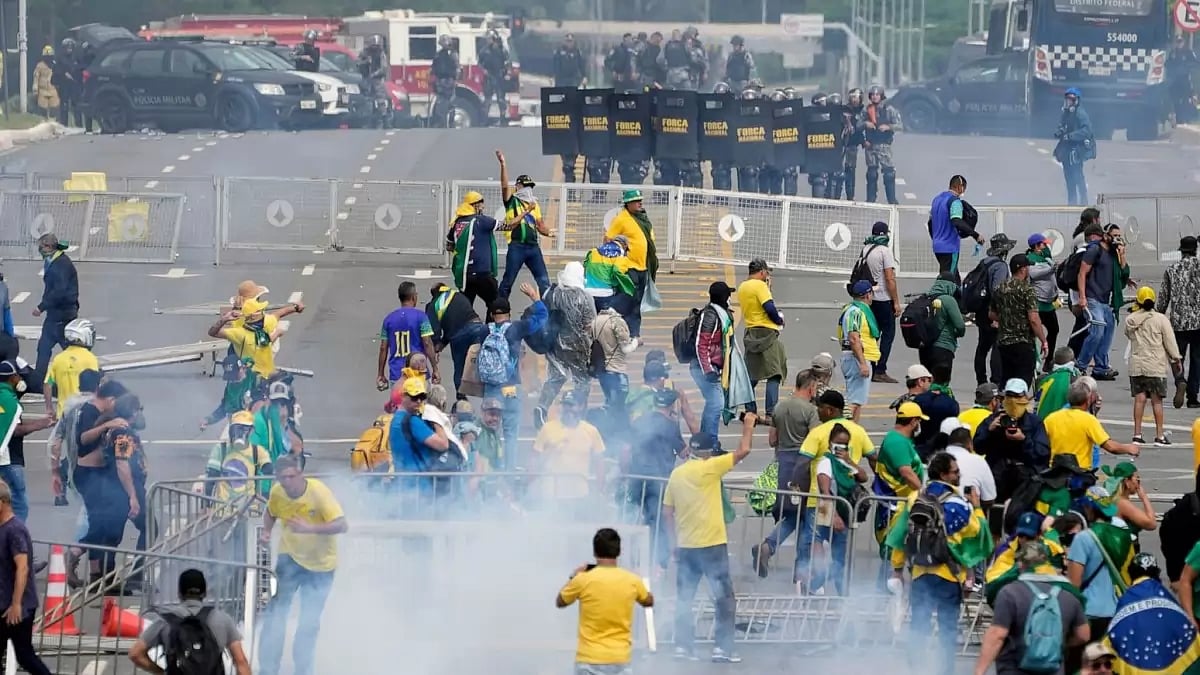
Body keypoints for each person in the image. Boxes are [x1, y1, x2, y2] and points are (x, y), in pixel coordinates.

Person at [886, 452, 991, 675]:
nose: (959, 474)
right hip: (948, 577)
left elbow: (900, 535)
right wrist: (978, 508)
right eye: (955, 471)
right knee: (947, 631)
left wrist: (897, 569)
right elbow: (978, 535)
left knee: (919, 627)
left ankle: (915, 669)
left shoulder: (916, 497)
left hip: (919, 573)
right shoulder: (959, 504)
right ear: (944, 474)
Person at [665, 414, 757, 663]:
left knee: (685, 598)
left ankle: (682, 647)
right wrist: (748, 425)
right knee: (724, 598)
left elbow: (667, 512)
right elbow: (744, 449)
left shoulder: (677, 475)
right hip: (712, 546)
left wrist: (672, 545)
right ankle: (722, 649)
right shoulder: (711, 468)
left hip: (686, 547)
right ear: (707, 453)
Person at [258, 454, 347, 675]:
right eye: (282, 478)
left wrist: (310, 529)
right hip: (289, 559)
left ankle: (303, 670)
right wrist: (267, 531)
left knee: (308, 623)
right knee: (275, 615)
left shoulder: (318, 492)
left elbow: (342, 525)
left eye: (291, 476)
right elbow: (270, 512)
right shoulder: (278, 492)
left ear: (300, 473)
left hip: (321, 567)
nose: (287, 482)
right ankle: (268, 669)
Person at [973, 541, 1089, 675]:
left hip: (1014, 668)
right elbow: (1083, 635)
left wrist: (979, 671)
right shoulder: (1069, 595)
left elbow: (997, 634)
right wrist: (1058, 643)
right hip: (1052, 668)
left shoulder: (1010, 592)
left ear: (1020, 564)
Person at [751, 369, 821, 578]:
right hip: (804, 465)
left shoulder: (780, 407)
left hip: (784, 463)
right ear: (810, 387)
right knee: (806, 514)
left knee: (793, 513)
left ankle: (769, 547)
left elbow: (772, 439)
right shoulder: (810, 411)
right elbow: (815, 439)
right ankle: (800, 568)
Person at [556, 528, 653, 675]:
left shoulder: (582, 579)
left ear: (595, 552)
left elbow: (560, 601)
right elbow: (648, 601)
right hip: (620, 659)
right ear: (619, 552)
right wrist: (639, 581)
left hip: (589, 658)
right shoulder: (632, 580)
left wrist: (573, 575)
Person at [129, 569, 251, 675]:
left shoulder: (164, 621)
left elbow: (135, 654)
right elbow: (241, 662)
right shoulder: (223, 620)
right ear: (205, 593)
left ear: (179, 593)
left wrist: (161, 672)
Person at [481, 285, 547, 467]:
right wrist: (534, 297)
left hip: (491, 389)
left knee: (490, 432)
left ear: (492, 314)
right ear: (509, 314)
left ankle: (490, 469)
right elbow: (542, 317)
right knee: (510, 433)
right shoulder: (516, 329)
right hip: (510, 388)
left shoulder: (484, 331)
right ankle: (508, 472)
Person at [629, 388, 686, 571]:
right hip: (658, 480)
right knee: (657, 521)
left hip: (637, 479)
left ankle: (636, 558)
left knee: (640, 517)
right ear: (671, 405)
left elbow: (626, 449)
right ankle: (657, 562)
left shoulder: (639, 422)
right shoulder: (670, 425)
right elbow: (684, 452)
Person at [0, 479, 52, 675]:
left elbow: (22, 568)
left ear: (2, 502)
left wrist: (16, 604)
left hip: (15, 607)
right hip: (4, 603)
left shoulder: (15, 530)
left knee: (25, 654)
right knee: (24, 654)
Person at [1124, 286, 1182, 445]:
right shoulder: (1161, 319)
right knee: (1157, 400)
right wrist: (1176, 359)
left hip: (1137, 365)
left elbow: (1128, 334)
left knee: (1140, 398)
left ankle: (1137, 434)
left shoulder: (1131, 319)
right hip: (1155, 364)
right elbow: (1169, 341)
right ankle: (1159, 435)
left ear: (1138, 301)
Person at [531, 390, 605, 509]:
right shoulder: (547, 428)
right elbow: (534, 457)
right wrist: (532, 483)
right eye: (565, 405)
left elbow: (599, 462)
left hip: (579, 494)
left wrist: (599, 490)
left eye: (572, 405)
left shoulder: (591, 431)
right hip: (551, 494)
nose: (568, 409)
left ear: (581, 407)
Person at [1044, 378, 1139, 471]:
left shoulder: (1051, 418)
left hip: (1054, 472)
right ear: (1088, 400)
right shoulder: (1088, 420)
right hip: (1079, 472)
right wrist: (1128, 448)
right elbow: (1110, 447)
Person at [495, 152, 553, 301]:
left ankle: (549, 312)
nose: (528, 190)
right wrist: (503, 164)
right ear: (518, 187)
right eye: (524, 186)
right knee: (508, 281)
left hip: (533, 247)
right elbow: (504, 186)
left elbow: (540, 226)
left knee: (544, 281)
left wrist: (549, 233)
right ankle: (498, 310)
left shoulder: (535, 204)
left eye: (530, 187)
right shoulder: (512, 201)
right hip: (517, 246)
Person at [603, 189, 658, 340]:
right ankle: (617, 330)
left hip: (643, 267)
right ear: (628, 204)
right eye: (637, 201)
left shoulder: (644, 219)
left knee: (637, 303)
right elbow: (608, 239)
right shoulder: (621, 219)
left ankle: (634, 334)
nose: (640, 203)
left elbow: (649, 239)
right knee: (627, 299)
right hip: (629, 267)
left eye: (641, 200)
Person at [989, 253, 1050, 388]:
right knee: (1022, 382)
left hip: (1004, 342)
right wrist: (1043, 340)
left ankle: (1004, 405)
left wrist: (1007, 316)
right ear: (1022, 269)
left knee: (1006, 380)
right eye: (1028, 267)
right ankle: (1017, 407)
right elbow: (1033, 319)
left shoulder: (1000, 288)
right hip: (1023, 342)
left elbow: (992, 314)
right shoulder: (1027, 290)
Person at [738, 258, 786, 419]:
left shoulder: (743, 286)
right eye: (766, 272)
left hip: (751, 332)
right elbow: (769, 308)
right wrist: (779, 320)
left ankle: (750, 409)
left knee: (751, 374)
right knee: (774, 373)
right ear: (762, 271)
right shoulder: (760, 286)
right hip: (767, 333)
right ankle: (771, 412)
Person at [690, 282, 737, 443]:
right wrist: (708, 370)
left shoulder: (721, 314)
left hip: (713, 367)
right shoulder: (711, 316)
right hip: (704, 369)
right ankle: (711, 443)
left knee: (713, 403)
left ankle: (705, 441)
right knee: (716, 403)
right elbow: (701, 344)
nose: (730, 299)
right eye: (728, 295)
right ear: (724, 298)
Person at [446, 190, 508, 310]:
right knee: (496, 305)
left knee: (465, 308)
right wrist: (524, 213)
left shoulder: (457, 222)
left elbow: (450, 245)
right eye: (481, 204)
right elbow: (508, 225)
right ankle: (492, 328)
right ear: (474, 205)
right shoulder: (481, 221)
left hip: (465, 275)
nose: (483, 207)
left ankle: (467, 327)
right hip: (482, 273)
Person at [33, 233, 79, 384]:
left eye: (42, 247)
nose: (40, 250)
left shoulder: (61, 264)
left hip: (62, 313)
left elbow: (59, 291)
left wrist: (41, 307)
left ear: (48, 247)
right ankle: (39, 379)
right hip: (59, 312)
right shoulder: (56, 260)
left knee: (53, 346)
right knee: (48, 346)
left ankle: (39, 380)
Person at [1074, 224, 1119, 379]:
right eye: (1114, 235)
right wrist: (1082, 297)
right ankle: (1080, 365)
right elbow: (1082, 273)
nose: (1117, 238)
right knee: (1097, 331)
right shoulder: (1094, 250)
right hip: (1093, 298)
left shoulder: (1113, 253)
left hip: (1106, 300)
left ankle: (1101, 367)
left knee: (1108, 331)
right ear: (1105, 235)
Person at [1160, 235, 1200, 409]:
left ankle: (1180, 380)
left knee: (1177, 357)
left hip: (1178, 322)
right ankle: (1193, 397)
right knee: (1197, 360)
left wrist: (1158, 315)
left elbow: (1163, 298)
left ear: (1181, 251)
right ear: (1196, 250)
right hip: (1199, 322)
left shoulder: (1172, 269)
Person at [972, 233, 1016, 386]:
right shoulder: (1000, 266)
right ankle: (996, 381)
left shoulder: (984, 262)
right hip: (992, 311)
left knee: (982, 347)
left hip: (980, 310)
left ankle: (981, 380)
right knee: (997, 347)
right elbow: (998, 291)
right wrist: (998, 315)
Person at [859, 222, 901, 382]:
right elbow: (890, 279)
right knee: (888, 334)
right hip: (884, 299)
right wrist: (896, 302)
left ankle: (869, 365)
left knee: (872, 333)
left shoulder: (866, 249)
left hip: (869, 298)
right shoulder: (884, 251)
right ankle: (880, 369)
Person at [378, 282, 438, 391]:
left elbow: (383, 348)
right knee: (421, 405)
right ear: (413, 297)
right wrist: (435, 368)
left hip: (397, 375)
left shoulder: (388, 319)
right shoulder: (421, 317)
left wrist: (380, 374)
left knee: (399, 405)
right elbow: (427, 343)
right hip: (418, 373)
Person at [425, 282, 483, 396]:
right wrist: (443, 342)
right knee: (484, 364)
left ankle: (461, 402)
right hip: (478, 328)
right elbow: (455, 321)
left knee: (459, 369)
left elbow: (434, 330)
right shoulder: (457, 295)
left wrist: (436, 345)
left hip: (459, 335)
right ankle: (491, 402)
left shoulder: (434, 304)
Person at [928, 175, 985, 283]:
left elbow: (930, 223)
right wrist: (975, 235)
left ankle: (959, 298)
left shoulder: (937, 200)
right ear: (960, 187)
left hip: (937, 246)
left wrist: (936, 239)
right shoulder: (954, 201)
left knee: (954, 277)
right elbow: (956, 221)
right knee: (948, 281)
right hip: (950, 247)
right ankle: (943, 299)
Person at [838, 280, 880, 423]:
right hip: (857, 358)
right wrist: (862, 363)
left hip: (855, 357)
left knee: (857, 400)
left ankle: (853, 432)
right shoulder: (856, 312)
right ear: (867, 295)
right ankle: (841, 429)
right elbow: (854, 338)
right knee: (854, 401)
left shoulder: (851, 309)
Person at [45, 318, 99, 419]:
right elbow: (96, 385)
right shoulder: (90, 359)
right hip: (84, 413)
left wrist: (49, 408)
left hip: (63, 414)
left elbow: (48, 384)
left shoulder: (58, 358)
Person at [1026, 233, 1061, 371]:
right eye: (1043, 244)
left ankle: (1049, 360)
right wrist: (1051, 268)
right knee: (1033, 332)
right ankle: (1033, 361)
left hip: (1048, 302)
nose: (1046, 246)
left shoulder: (1046, 257)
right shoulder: (1030, 259)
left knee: (1054, 329)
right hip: (1038, 302)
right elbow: (1034, 273)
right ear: (1036, 246)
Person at [1054, 88, 1094, 206]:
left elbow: (1087, 131)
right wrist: (1059, 132)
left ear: (1076, 101)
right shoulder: (1066, 113)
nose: (1068, 102)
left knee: (1078, 176)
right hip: (1067, 150)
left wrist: (1071, 136)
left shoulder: (1080, 114)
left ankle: (1083, 202)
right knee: (1068, 178)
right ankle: (1072, 203)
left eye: (1071, 99)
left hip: (1076, 149)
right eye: (1067, 99)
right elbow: (1061, 126)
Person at [863, 84, 902, 204]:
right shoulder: (866, 110)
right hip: (870, 145)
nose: (875, 97)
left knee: (889, 173)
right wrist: (865, 124)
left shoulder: (889, 109)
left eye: (877, 95)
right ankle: (870, 199)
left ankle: (891, 199)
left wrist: (888, 127)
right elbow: (858, 124)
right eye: (873, 95)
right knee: (871, 173)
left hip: (884, 145)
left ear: (881, 96)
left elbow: (900, 125)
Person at [922, 272, 966, 378]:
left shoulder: (926, 298)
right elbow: (960, 325)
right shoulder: (948, 300)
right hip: (943, 347)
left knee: (927, 382)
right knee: (941, 383)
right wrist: (957, 334)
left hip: (925, 348)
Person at [1036, 347, 1078, 419]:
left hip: (1041, 420)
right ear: (1072, 361)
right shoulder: (1075, 379)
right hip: (1064, 420)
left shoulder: (1042, 379)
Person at [33, 46, 58, 120]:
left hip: (53, 90)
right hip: (42, 90)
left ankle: (53, 123)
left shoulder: (55, 65)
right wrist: (35, 89)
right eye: (47, 56)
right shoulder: (40, 65)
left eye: (50, 56)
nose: (48, 58)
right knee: (42, 109)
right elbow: (36, 77)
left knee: (54, 108)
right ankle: (43, 124)